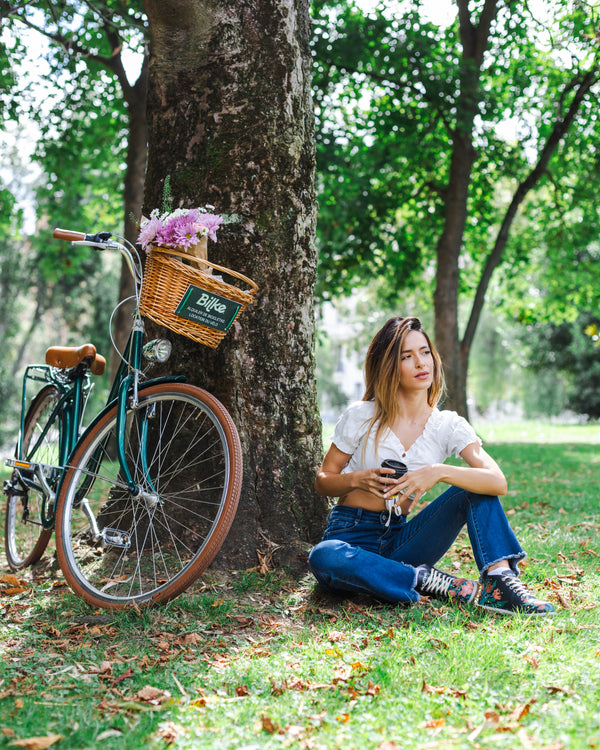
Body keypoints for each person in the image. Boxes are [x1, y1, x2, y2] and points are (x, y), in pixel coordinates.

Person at [308, 316, 555, 616]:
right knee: (323, 556)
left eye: (425, 352)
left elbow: (496, 481)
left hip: (402, 540)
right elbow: (323, 480)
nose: (421, 363)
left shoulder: (447, 425)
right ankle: (422, 579)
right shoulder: (362, 415)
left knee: (473, 487)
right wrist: (357, 480)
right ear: (389, 366)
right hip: (350, 535)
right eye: (406, 356)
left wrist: (439, 472)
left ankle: (499, 582)